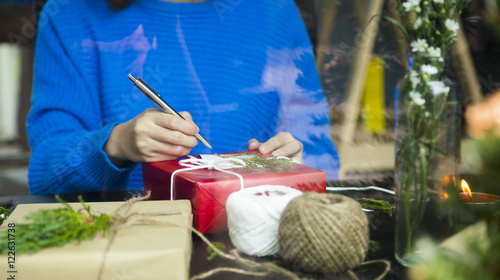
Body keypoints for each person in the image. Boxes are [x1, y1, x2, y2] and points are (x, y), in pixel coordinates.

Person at [27, 0, 340, 195]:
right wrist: (118, 144)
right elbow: (44, 174)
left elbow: (322, 158)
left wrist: (295, 168)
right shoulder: (69, 14)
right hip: (121, 255)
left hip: (256, 258)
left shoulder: (276, 12)